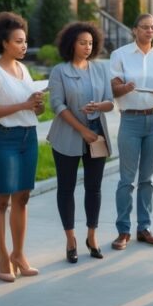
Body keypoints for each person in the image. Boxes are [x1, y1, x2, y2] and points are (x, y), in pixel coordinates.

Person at [0, 12, 44, 282]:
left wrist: (36, 107)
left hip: (28, 138)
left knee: (22, 198)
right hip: (4, 140)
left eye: (25, 41)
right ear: (4, 42)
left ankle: (19, 254)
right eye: (18, 41)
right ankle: (3, 256)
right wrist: (24, 105)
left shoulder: (23, 69)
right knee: (1, 200)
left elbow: (31, 110)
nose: (24, 46)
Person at [109, 13, 153, 250]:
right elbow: (113, 88)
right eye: (145, 27)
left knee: (147, 179)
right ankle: (123, 230)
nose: (150, 31)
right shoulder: (120, 55)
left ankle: (144, 228)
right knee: (127, 180)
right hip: (130, 121)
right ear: (134, 30)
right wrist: (124, 87)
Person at [48, 22, 114, 263]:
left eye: (90, 43)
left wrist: (99, 106)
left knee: (94, 188)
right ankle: (71, 240)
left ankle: (92, 236)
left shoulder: (100, 69)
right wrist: (82, 130)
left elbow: (110, 102)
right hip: (67, 136)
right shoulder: (59, 71)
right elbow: (57, 105)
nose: (87, 47)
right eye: (82, 43)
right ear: (71, 44)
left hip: (97, 136)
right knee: (66, 188)